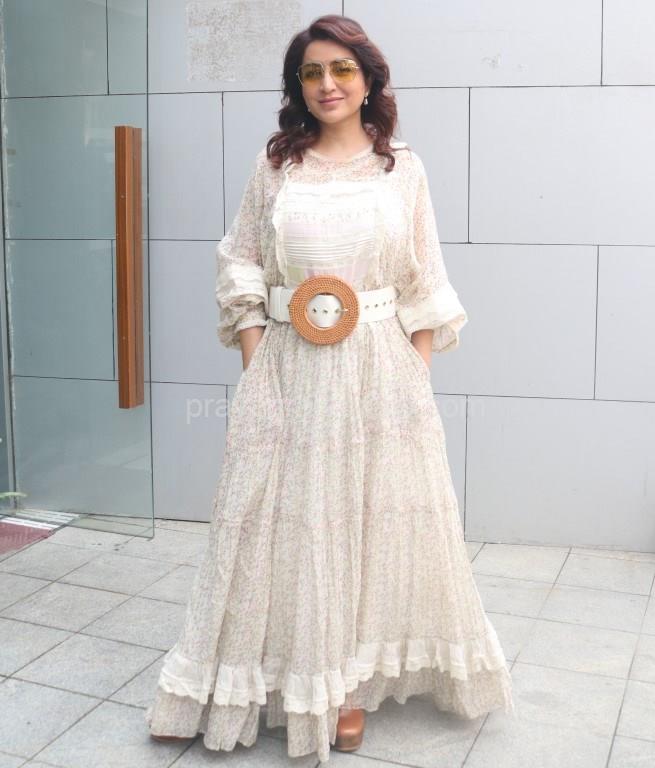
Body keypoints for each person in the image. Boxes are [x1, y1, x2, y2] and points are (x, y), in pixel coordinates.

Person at [145, 13, 515, 763]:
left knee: (365, 521)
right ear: (297, 86)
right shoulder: (276, 165)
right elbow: (241, 261)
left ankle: (344, 686)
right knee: (276, 520)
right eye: (311, 72)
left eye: (342, 69)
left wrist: (414, 375)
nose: (327, 84)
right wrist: (257, 361)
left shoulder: (400, 168)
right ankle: (243, 677)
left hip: (380, 368)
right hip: (288, 364)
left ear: (369, 79)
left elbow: (422, 277)